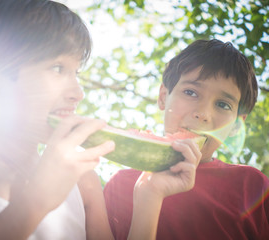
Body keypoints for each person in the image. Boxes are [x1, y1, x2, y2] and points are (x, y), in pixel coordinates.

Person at [0, 0, 202, 239]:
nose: (78, 93)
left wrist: (149, 196)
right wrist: (35, 202)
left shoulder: (84, 181)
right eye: (58, 68)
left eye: (77, 72)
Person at [104, 39, 269, 240]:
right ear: (163, 96)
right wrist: (149, 195)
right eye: (190, 92)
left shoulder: (253, 187)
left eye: (223, 105)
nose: (202, 113)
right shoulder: (120, 186)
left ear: (236, 125)